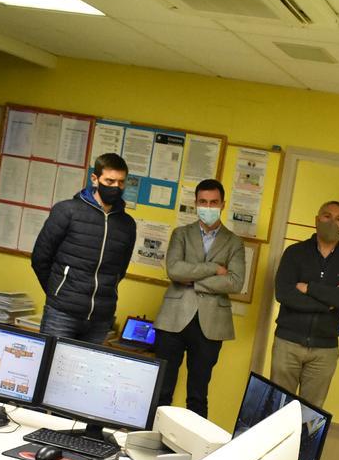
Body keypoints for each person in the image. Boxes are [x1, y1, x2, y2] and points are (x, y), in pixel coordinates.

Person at [153, 179, 245, 418]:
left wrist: (192, 280)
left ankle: (193, 452)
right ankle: (148, 441)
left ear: (223, 204)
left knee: (197, 394)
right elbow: (174, 270)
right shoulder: (180, 234)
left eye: (213, 202)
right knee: (161, 390)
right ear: (195, 204)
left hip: (211, 324)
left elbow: (235, 282)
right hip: (173, 320)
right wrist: (214, 268)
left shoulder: (234, 242)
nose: (208, 206)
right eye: (203, 202)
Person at [31, 153, 136, 342]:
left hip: (101, 318)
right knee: (50, 367)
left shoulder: (127, 224)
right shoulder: (67, 210)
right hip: (61, 314)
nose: (115, 187)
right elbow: (40, 258)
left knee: (86, 372)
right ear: (95, 179)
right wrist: (58, 293)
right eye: (110, 181)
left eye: (121, 182)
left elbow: (120, 270)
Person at [270, 200, 339, 408]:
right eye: (327, 216)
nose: (332, 222)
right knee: (277, 406)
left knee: (310, 412)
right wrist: (328, 303)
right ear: (317, 220)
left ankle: (302, 443)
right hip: (288, 343)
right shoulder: (295, 253)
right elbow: (284, 293)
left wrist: (309, 288)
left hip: (325, 349)